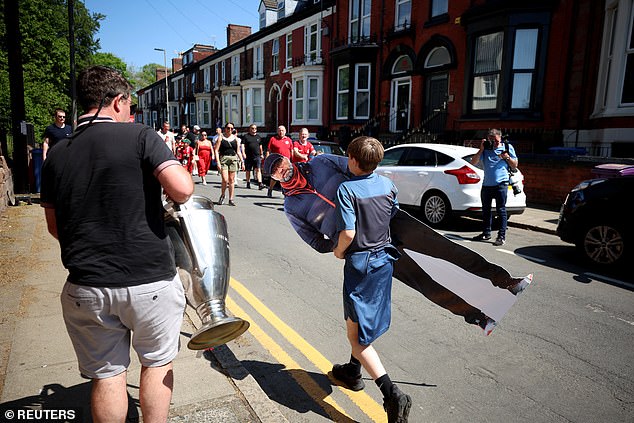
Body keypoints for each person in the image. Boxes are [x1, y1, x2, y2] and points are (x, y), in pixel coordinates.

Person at [40, 65, 194, 422]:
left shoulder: (58, 155)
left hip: (87, 285)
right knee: (156, 365)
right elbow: (183, 189)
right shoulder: (140, 136)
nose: (130, 113)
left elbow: (54, 227)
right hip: (150, 280)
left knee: (108, 376)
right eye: (129, 105)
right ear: (118, 101)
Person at [263, 145, 530, 335]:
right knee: (423, 282)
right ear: (273, 178)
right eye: (274, 170)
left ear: (287, 159)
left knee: (447, 249)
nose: (281, 169)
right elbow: (314, 241)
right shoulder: (292, 206)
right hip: (367, 246)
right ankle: (478, 317)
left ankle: (505, 281)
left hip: (389, 218)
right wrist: (340, 244)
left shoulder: (320, 163)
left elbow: (358, 169)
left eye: (280, 162)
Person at [331, 137, 412, 422]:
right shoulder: (388, 185)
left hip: (361, 266)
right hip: (384, 262)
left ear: (352, 160)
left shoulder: (346, 189)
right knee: (369, 321)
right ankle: (353, 372)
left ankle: (392, 395)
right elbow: (393, 217)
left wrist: (338, 251)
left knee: (356, 337)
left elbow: (348, 234)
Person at [470, 128, 519, 246]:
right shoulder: (486, 150)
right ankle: (486, 233)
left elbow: (514, 165)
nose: (494, 143)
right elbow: (473, 162)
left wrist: (506, 157)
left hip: (501, 185)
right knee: (486, 211)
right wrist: (481, 149)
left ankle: (501, 236)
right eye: (491, 141)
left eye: (496, 141)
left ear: (500, 138)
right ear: (488, 139)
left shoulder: (507, 148)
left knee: (501, 210)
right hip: (487, 185)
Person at [214, 123, 244, 206]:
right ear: (225, 128)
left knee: (232, 180)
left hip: (233, 159)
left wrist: (242, 161)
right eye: (228, 128)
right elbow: (216, 150)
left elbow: (238, 151)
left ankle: (231, 199)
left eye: (231, 128)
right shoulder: (221, 137)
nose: (230, 130)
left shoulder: (236, 139)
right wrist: (218, 163)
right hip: (224, 159)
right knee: (225, 179)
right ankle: (223, 195)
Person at [265, 125, 292, 198]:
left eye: (282, 130)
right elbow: (268, 150)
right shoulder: (273, 139)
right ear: (277, 131)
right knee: (275, 177)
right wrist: (267, 160)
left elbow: (291, 151)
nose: (281, 132)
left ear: (285, 131)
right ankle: (270, 189)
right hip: (277, 162)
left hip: (286, 163)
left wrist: (292, 161)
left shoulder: (288, 140)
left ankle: (285, 192)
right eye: (279, 130)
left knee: (285, 178)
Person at [241, 124, 264, 190]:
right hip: (248, 156)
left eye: (255, 128)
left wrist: (261, 154)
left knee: (258, 169)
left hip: (257, 156)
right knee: (248, 170)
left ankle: (260, 183)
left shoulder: (258, 137)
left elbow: (260, 146)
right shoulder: (246, 136)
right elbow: (243, 146)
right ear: (250, 129)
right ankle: (248, 182)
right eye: (252, 128)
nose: (254, 130)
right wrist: (243, 153)